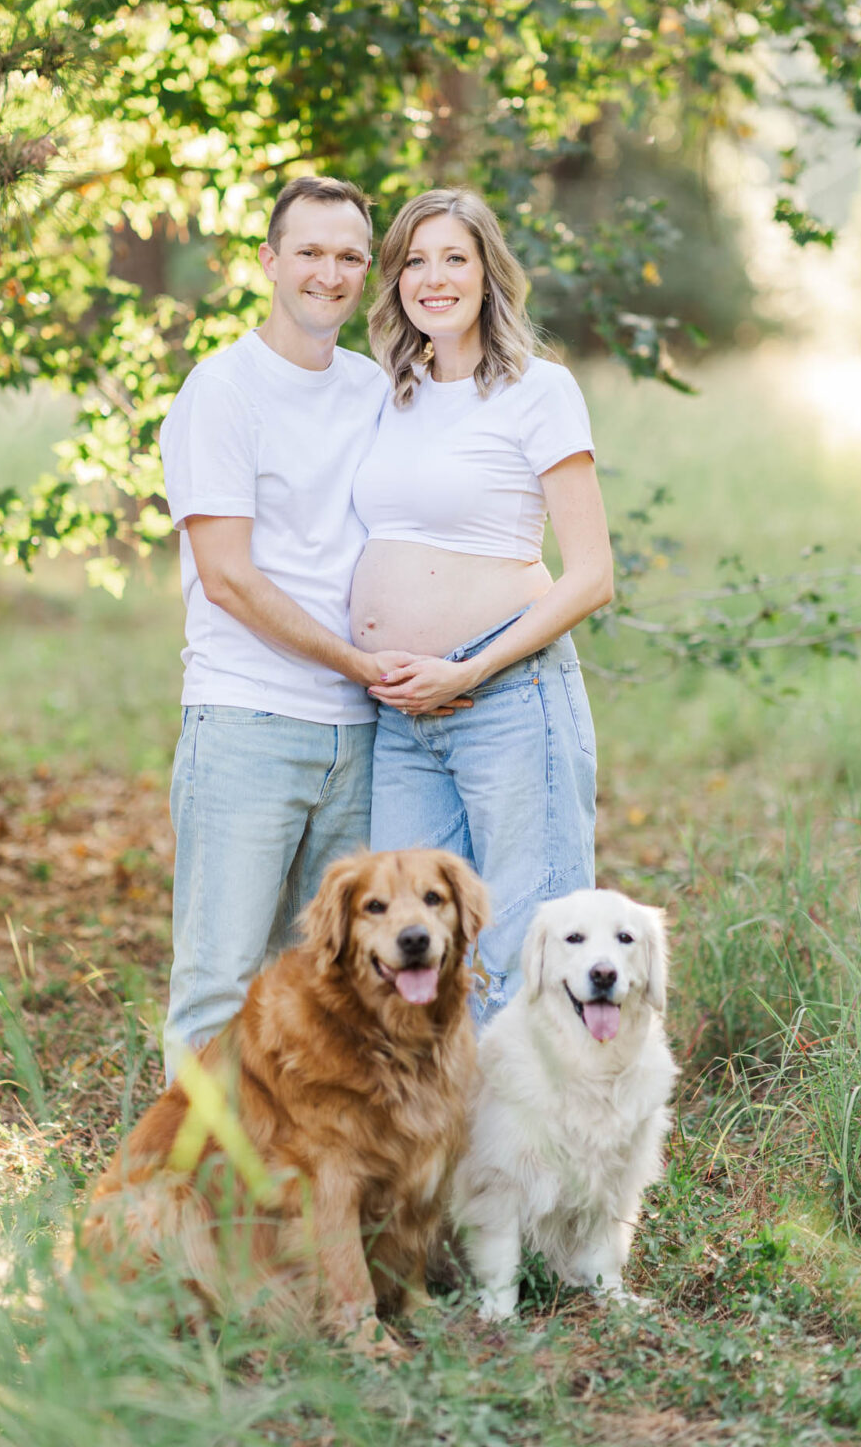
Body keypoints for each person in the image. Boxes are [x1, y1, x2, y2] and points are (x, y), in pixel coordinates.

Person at [158, 176, 418, 1079]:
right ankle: (196, 1203)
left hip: (363, 732)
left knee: (327, 986)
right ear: (270, 262)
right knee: (220, 986)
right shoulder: (222, 391)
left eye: (350, 256)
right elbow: (228, 576)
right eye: (309, 251)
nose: (329, 272)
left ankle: (297, 1201)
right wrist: (355, 659)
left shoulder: (376, 389)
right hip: (250, 722)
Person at [351, 188, 614, 1025]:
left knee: (528, 945)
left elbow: (592, 575)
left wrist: (468, 668)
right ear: (394, 281)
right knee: (414, 952)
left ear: (488, 271)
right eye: (415, 261)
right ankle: (451, 1154)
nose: (434, 278)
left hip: (506, 699)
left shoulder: (539, 390)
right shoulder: (389, 395)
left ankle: (546, 1155)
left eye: (454, 258)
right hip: (401, 717)